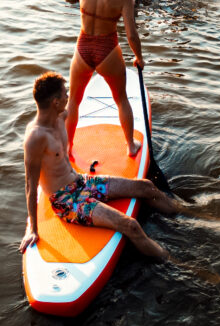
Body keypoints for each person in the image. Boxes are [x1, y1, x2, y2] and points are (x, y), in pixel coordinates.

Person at [20, 72, 176, 259]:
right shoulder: (35, 138)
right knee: (131, 225)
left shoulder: (62, 116)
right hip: (66, 201)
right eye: (64, 94)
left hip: (81, 182)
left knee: (146, 186)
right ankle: (181, 266)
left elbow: (78, 93)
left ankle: (185, 214)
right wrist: (33, 229)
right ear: (55, 102)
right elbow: (30, 185)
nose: (68, 97)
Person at [66, 0, 144, 159]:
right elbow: (131, 34)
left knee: (73, 101)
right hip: (107, 49)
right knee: (121, 99)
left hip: (83, 47)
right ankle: (130, 146)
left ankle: (67, 148)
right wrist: (139, 57)